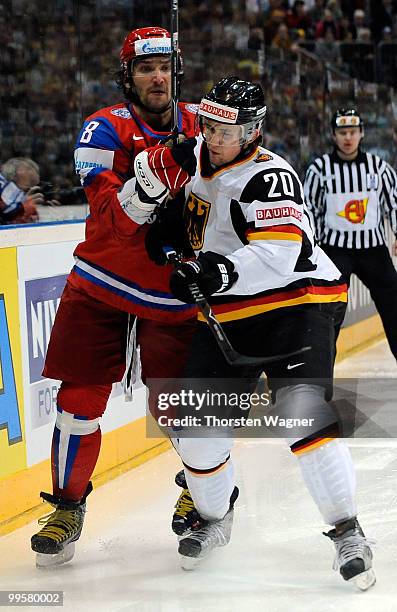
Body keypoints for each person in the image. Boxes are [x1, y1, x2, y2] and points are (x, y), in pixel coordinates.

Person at [144, 77, 375, 589]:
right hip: (230, 313)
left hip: (297, 303)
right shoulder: (198, 158)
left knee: (301, 414)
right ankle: (215, 515)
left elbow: (279, 252)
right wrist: (170, 229)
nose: (214, 136)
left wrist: (213, 273)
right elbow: (197, 215)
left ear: (253, 131)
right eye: (208, 125)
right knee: (197, 431)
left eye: (227, 130)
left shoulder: (271, 176)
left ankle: (347, 530)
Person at [30, 26, 198, 568]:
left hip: (172, 289)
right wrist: (155, 175)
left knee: (178, 406)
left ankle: (206, 488)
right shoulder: (101, 129)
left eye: (165, 67)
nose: (157, 77)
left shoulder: (202, 124)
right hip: (101, 282)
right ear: (127, 76)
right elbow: (112, 219)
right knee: (78, 403)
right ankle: (66, 506)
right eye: (145, 68)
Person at [304, 108, 397, 362]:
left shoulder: (379, 168)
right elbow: (309, 210)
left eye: (353, 132)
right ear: (333, 135)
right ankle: (320, 378)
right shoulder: (319, 170)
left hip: (374, 251)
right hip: (334, 252)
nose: (348, 137)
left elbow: (394, 204)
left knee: (394, 307)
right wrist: (310, 247)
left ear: (362, 134)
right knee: (327, 316)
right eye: (342, 132)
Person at [0, 157, 43, 223]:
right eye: (27, 169)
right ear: (13, 175)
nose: (33, 172)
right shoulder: (4, 189)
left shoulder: (28, 197)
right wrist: (23, 206)